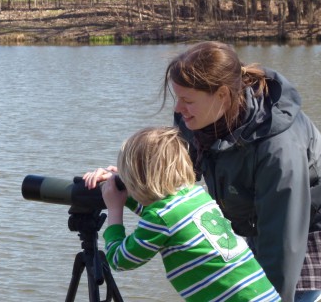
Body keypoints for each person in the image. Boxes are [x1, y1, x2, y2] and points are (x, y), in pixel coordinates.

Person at [86, 41, 321, 302]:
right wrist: (128, 181)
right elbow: (174, 184)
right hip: (255, 217)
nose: (178, 109)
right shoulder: (196, 117)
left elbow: (283, 242)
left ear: (223, 96)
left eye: (186, 100)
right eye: (177, 98)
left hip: (314, 229)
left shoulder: (278, 149)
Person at [84, 126, 281, 302]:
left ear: (139, 178)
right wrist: (126, 194)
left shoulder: (162, 218)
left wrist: (114, 208)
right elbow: (160, 215)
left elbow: (120, 260)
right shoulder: (194, 195)